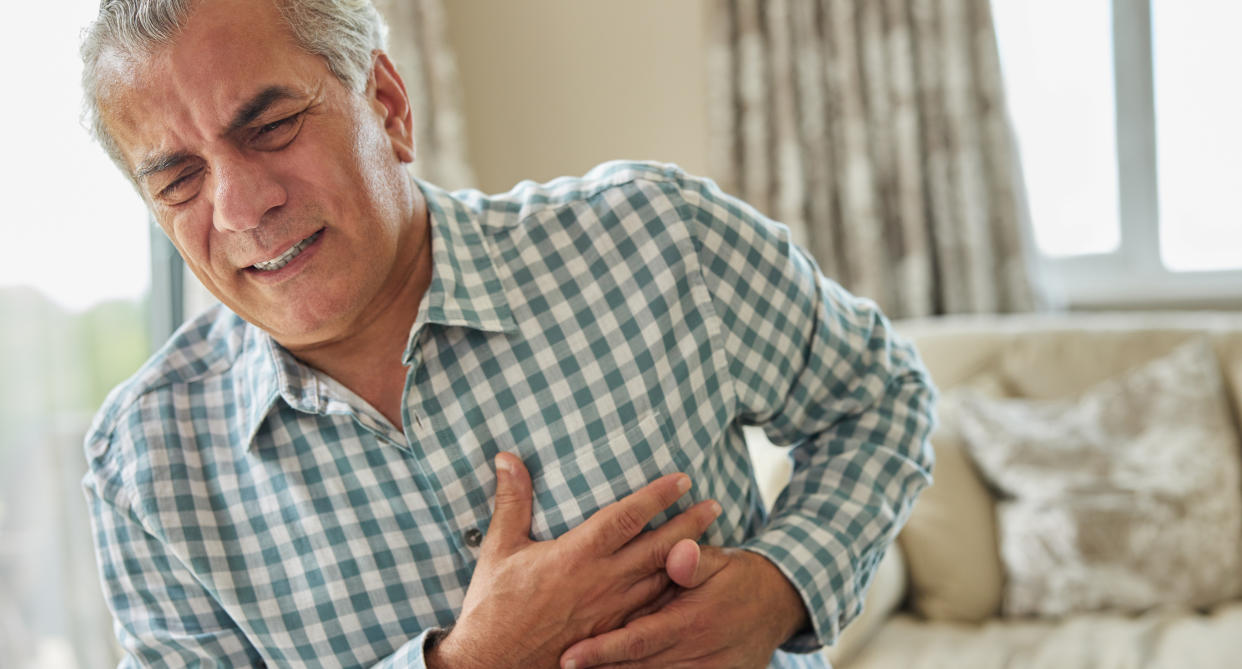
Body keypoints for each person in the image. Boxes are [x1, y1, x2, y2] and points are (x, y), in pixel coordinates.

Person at [79, 0, 936, 667]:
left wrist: (783, 584)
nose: (240, 207)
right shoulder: (143, 465)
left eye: (269, 127)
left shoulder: (657, 235)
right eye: (180, 178)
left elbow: (882, 400)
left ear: (387, 104)